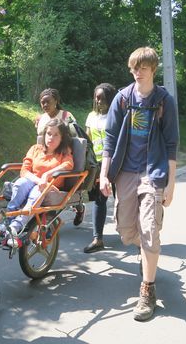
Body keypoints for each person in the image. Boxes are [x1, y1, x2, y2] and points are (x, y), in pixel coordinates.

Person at [100, 47, 179, 321]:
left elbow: (171, 144)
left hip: (153, 172)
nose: (138, 71)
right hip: (125, 172)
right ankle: (144, 248)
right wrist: (103, 174)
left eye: (143, 67)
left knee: (149, 231)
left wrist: (171, 183)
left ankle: (147, 291)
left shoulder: (163, 100)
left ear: (153, 69)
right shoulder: (122, 99)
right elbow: (109, 139)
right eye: (134, 66)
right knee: (125, 231)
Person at [0, 118, 74, 246]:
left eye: (56, 135)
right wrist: (39, 180)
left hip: (49, 186)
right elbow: (24, 170)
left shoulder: (64, 153)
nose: (51, 138)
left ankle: (15, 226)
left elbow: (69, 164)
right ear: (44, 134)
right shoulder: (36, 149)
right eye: (49, 133)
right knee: (20, 184)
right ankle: (7, 222)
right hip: (35, 181)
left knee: (37, 191)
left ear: (62, 138)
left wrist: (47, 175)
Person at [34, 88, 83, 223]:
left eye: (48, 102)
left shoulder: (66, 116)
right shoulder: (42, 119)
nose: (45, 105)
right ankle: (47, 220)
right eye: (42, 103)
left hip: (63, 156)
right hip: (47, 158)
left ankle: (79, 207)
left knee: (69, 190)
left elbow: (76, 138)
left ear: (56, 101)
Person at [83, 83, 117, 253]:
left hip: (117, 162)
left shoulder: (117, 115)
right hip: (98, 164)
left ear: (110, 99)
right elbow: (88, 139)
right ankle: (98, 239)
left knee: (122, 199)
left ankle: (131, 231)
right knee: (99, 198)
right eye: (96, 97)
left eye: (102, 98)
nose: (98, 101)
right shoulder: (91, 116)